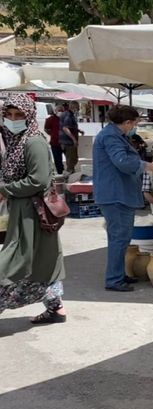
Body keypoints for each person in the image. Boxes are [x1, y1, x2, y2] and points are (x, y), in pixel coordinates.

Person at [0, 94, 67, 324]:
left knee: (11, 264)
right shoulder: (16, 140)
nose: (13, 119)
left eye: (19, 114)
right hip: (23, 210)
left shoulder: (33, 141)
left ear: (29, 116)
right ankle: (56, 309)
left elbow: (38, 180)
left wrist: (6, 189)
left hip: (33, 213)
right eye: (8, 114)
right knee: (42, 262)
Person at [94, 105, 153, 292]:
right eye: (135, 123)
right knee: (119, 239)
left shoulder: (113, 135)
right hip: (115, 194)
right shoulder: (111, 136)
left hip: (117, 193)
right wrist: (147, 166)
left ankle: (119, 275)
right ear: (128, 122)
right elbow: (123, 162)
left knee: (121, 238)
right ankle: (114, 280)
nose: (135, 126)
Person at [59, 101, 83, 175]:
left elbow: (70, 127)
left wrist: (78, 131)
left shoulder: (66, 114)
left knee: (71, 160)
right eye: (78, 107)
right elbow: (65, 128)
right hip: (68, 142)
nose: (78, 109)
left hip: (64, 141)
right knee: (71, 160)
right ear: (74, 107)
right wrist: (74, 139)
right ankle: (68, 176)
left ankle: (70, 173)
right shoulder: (68, 115)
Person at [44, 105, 64, 174]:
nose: (60, 112)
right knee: (57, 160)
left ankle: (68, 172)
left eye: (61, 110)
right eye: (58, 110)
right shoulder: (51, 119)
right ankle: (60, 173)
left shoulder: (65, 118)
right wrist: (52, 134)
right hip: (55, 143)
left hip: (65, 143)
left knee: (70, 159)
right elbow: (46, 129)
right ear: (55, 111)